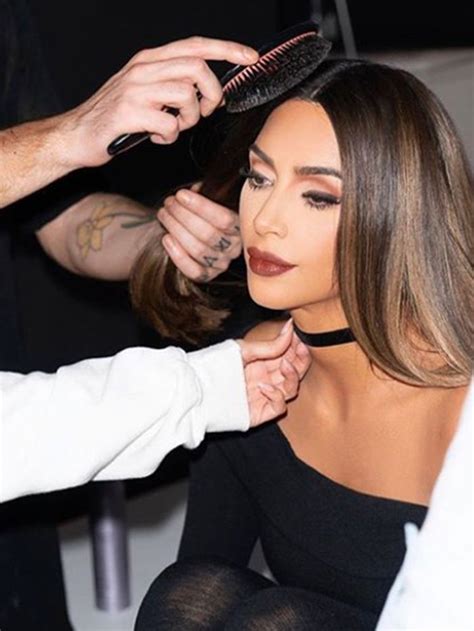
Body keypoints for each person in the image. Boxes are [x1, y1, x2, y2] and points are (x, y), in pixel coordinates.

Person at [133, 58, 473, 630]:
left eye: (317, 196)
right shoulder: (253, 372)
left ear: (398, 213)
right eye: (259, 178)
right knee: (190, 593)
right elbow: (201, 575)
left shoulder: (460, 405)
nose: (264, 220)